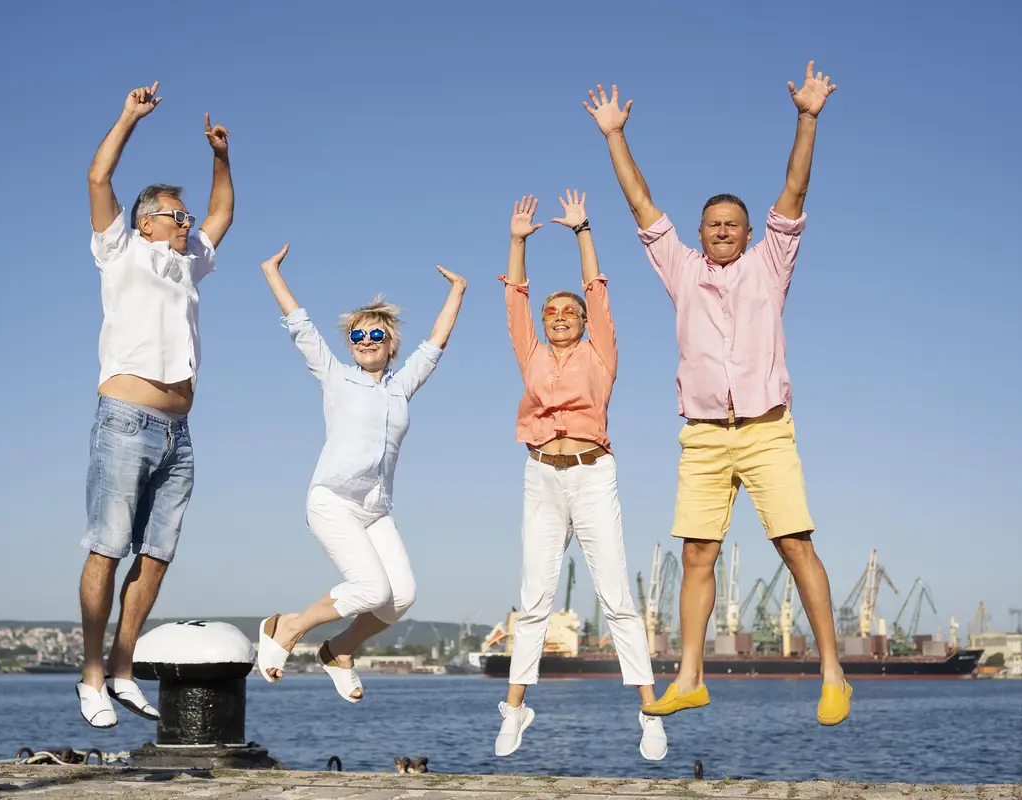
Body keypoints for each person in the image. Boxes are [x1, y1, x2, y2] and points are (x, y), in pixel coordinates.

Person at [585, 61, 851, 725]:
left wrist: (808, 117)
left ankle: (832, 671)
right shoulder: (680, 269)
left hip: (766, 428)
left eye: (734, 223)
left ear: (751, 233)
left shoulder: (771, 264)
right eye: (714, 225)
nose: (725, 230)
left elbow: (794, 186)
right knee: (696, 553)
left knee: (795, 546)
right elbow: (640, 204)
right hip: (703, 433)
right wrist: (615, 137)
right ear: (700, 235)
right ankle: (692, 678)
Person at [76, 81, 234, 728]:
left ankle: (121, 667)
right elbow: (98, 175)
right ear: (147, 221)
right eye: (177, 216)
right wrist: (128, 116)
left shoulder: (188, 260)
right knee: (107, 546)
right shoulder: (121, 250)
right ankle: (90, 673)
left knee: (158, 553)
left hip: (179, 429)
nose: (188, 223)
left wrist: (221, 156)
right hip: (125, 420)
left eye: (186, 218)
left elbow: (223, 213)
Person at [494, 191, 668, 761]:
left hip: (593, 474)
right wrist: (519, 240)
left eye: (570, 312)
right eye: (552, 313)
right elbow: (514, 298)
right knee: (534, 597)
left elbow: (598, 287)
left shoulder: (602, 354)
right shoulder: (531, 354)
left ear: (586, 322)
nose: (560, 317)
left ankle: (649, 711)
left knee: (617, 594)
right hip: (541, 474)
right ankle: (516, 709)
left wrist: (582, 230)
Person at [254, 242, 467, 703]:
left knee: (402, 596)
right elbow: (301, 326)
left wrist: (458, 290)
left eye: (375, 336)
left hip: (375, 507)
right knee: (370, 588)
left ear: (391, 345)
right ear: (350, 345)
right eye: (358, 337)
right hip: (332, 499)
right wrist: (272, 271)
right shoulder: (335, 375)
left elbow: (436, 344)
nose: (366, 343)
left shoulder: (402, 386)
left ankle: (339, 650)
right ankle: (286, 627)